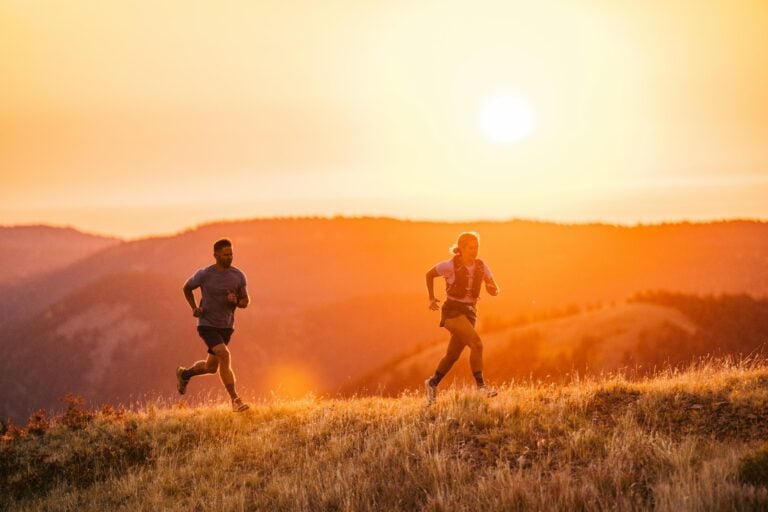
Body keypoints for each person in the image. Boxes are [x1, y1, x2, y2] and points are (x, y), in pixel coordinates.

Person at [424, 231, 500, 404]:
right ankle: (481, 387)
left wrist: (492, 288)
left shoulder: (481, 266)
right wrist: (431, 297)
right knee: (477, 344)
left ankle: (432, 382)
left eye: (477, 247)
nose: (475, 251)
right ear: (462, 248)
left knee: (452, 355)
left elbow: (494, 286)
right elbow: (429, 274)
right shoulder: (449, 265)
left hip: (470, 313)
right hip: (452, 311)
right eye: (471, 248)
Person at [176, 238, 250, 412]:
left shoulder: (238, 276)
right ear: (215, 255)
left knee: (211, 367)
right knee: (224, 355)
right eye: (226, 255)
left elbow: (246, 301)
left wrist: (237, 300)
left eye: (231, 254)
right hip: (207, 324)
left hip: (226, 326)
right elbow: (187, 288)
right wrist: (194, 308)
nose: (230, 257)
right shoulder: (204, 274)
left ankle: (184, 374)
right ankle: (235, 400)